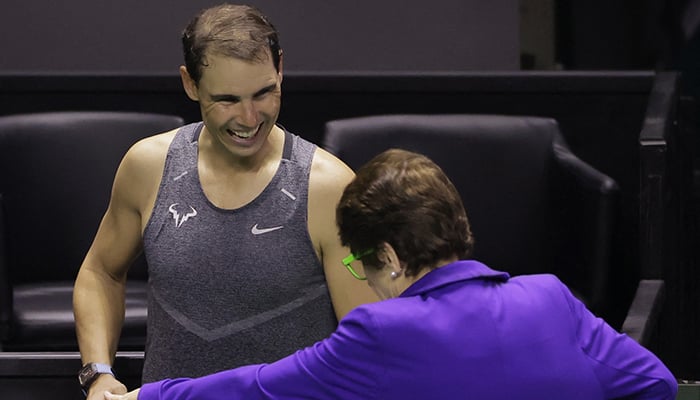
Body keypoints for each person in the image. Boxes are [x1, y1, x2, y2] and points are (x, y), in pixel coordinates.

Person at [104, 148, 677, 400]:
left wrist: (150, 397)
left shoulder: (385, 333)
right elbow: (657, 386)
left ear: (391, 257)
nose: (362, 279)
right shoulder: (550, 297)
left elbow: (260, 388)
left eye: (359, 262)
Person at [72, 3, 377, 399]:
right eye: (228, 99)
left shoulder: (329, 187)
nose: (250, 119)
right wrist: (98, 374)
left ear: (281, 69)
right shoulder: (147, 167)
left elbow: (367, 347)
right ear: (190, 84)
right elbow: (100, 273)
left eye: (264, 92)